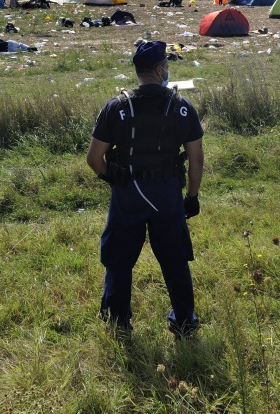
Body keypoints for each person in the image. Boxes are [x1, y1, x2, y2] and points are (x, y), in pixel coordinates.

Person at [86, 40, 204, 337]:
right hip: (167, 194)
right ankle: (184, 322)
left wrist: (114, 179)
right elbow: (196, 158)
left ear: (138, 71)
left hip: (128, 193)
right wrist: (191, 197)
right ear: (160, 69)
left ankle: (118, 322)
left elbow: (94, 158)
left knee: (119, 259)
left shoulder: (115, 107)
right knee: (175, 258)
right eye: (167, 65)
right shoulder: (182, 107)